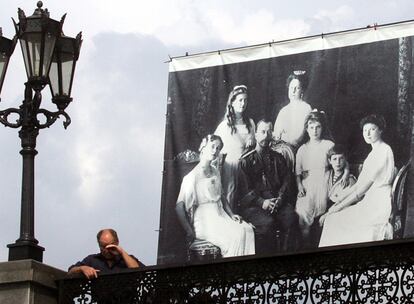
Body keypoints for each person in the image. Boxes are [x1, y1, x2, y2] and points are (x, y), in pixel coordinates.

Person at [319, 114, 395, 247]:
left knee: (333, 219)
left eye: (372, 129)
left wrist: (335, 209)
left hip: (378, 204)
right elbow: (359, 185)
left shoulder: (383, 151)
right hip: (372, 200)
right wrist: (340, 200)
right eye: (365, 130)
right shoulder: (374, 152)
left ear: (380, 130)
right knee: (333, 218)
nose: (368, 133)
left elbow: (361, 190)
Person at [175, 134, 255, 258]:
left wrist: (231, 214)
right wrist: (189, 231)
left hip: (221, 214)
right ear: (203, 147)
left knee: (247, 230)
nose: (215, 151)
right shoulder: (192, 177)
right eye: (212, 146)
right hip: (205, 221)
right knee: (235, 237)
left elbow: (222, 195)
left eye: (218, 148)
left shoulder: (215, 171)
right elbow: (179, 207)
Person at [237, 120, 296, 254]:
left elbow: (287, 182)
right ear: (256, 134)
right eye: (262, 132)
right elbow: (245, 191)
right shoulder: (246, 161)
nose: (266, 135)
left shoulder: (278, 158)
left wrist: (280, 199)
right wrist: (262, 202)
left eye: (269, 132)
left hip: (277, 202)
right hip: (255, 206)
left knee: (291, 218)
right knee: (267, 224)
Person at [295, 110, 334, 248]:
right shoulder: (302, 149)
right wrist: (300, 186)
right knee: (302, 211)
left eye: (318, 127)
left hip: (324, 179)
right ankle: (306, 245)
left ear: (322, 128)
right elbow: (298, 173)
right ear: (306, 129)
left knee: (321, 208)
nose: (315, 130)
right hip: (307, 182)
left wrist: (346, 174)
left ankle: (320, 244)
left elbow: (340, 163)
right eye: (311, 127)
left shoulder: (328, 145)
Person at [215, 85, 256, 209]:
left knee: (248, 196)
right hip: (230, 166)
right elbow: (216, 146)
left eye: (245, 100)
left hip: (247, 165)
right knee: (230, 195)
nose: (243, 104)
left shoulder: (251, 123)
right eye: (240, 100)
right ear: (232, 102)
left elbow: (255, 146)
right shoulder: (224, 125)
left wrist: (253, 140)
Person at [68, 229, 143, 279]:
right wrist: (82, 268)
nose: (106, 250)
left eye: (109, 245)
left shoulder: (127, 259)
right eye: (103, 246)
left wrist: (122, 252)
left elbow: (138, 271)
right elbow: (70, 271)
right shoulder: (93, 259)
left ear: (116, 242)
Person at [273, 71, 312, 149]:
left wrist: (283, 136)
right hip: (281, 149)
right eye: (291, 88)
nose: (293, 91)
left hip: (297, 150)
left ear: (302, 91)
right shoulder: (283, 110)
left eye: (297, 88)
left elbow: (297, 139)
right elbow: (276, 136)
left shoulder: (306, 108)